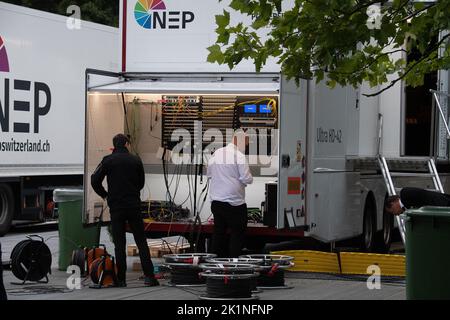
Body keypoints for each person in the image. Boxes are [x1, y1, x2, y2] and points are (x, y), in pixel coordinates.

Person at [91, 134, 159, 287]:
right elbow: (141, 183)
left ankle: (121, 279)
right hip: (133, 205)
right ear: (127, 144)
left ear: (114, 145)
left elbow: (94, 180)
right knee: (141, 242)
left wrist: (105, 195)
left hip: (116, 207)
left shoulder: (107, 160)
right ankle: (149, 276)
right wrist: (132, 190)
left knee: (119, 244)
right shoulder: (136, 160)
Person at [207, 130, 253, 258]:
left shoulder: (216, 153)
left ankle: (213, 264)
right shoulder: (239, 156)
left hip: (216, 202)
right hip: (235, 204)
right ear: (239, 140)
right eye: (246, 143)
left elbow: (209, 174)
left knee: (218, 234)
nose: (246, 147)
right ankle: (234, 264)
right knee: (237, 234)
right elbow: (247, 179)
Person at [385, 187, 450, 216]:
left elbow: (424, 196)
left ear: (393, 203)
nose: (396, 214)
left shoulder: (404, 193)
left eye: (393, 211)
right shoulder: (406, 205)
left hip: (442, 203)